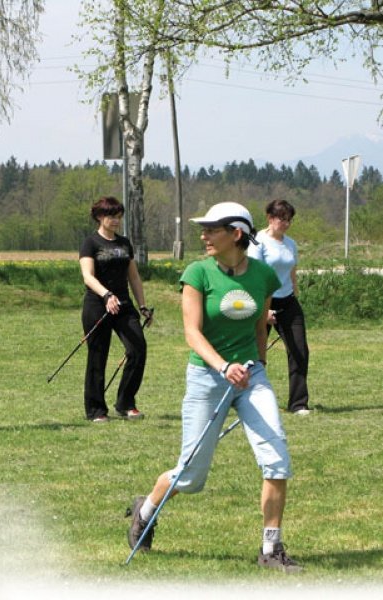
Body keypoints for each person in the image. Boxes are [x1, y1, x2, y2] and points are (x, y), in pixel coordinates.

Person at [127, 201, 301, 572]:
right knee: (190, 477)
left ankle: (271, 549)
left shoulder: (263, 276)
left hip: (251, 378)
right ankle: (146, 509)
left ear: (236, 234)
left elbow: (259, 327)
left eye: (212, 229)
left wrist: (259, 368)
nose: (203, 235)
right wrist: (224, 366)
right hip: (208, 377)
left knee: (277, 462)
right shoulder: (197, 273)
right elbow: (192, 333)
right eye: (203, 229)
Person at [79, 196, 152, 423]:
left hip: (123, 306)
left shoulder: (124, 243)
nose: (116, 220)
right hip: (97, 305)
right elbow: (87, 276)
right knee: (97, 357)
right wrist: (106, 294)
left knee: (137, 349)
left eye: (119, 216)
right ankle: (96, 410)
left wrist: (142, 305)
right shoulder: (90, 243)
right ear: (100, 217)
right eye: (112, 216)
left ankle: (126, 403)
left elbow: (134, 277)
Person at [248, 199, 311, 415]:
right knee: (255, 352)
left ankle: (299, 403)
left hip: (287, 301)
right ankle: (249, 398)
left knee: (300, 350)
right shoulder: (258, 242)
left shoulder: (290, 243)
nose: (285, 223)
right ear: (270, 218)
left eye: (289, 220)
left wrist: (295, 291)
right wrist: (264, 310)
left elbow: (291, 270)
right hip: (263, 300)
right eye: (281, 219)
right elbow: (254, 275)